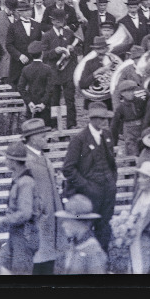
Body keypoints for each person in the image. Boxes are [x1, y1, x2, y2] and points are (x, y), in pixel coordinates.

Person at [61, 102, 118, 252]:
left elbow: (111, 162)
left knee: (104, 228)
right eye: (99, 118)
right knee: (86, 229)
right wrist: (86, 186)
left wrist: (112, 181)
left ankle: (103, 264)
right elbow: (68, 169)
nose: (103, 121)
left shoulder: (107, 135)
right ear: (91, 119)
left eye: (104, 118)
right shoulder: (79, 140)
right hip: (89, 194)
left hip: (107, 191)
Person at [19, 118, 66, 274]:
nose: (46, 138)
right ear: (32, 139)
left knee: (48, 257)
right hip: (38, 218)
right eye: (42, 136)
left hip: (51, 215)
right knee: (39, 259)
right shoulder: (26, 160)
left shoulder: (42, 157)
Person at [0, 141, 40, 275]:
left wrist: (4, 220)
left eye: (7, 158)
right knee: (4, 267)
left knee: (21, 272)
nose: (5, 161)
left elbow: (25, 213)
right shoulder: (18, 180)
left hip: (25, 235)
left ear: (14, 161)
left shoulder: (25, 182)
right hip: (16, 233)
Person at [41, 8, 81, 129]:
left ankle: (71, 124)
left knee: (70, 99)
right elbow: (44, 55)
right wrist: (54, 51)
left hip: (68, 72)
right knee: (54, 100)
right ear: (52, 21)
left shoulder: (69, 33)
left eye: (62, 20)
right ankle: (54, 125)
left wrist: (73, 50)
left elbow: (78, 50)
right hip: (54, 73)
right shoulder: (47, 35)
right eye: (58, 21)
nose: (61, 22)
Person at [55, 194, 108, 274]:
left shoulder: (92, 250)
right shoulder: (74, 245)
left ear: (80, 223)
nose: (63, 225)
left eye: (67, 220)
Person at [111, 79, 148, 157]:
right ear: (122, 94)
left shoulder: (141, 102)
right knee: (132, 153)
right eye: (127, 92)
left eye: (132, 91)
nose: (130, 94)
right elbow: (114, 126)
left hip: (142, 130)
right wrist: (114, 144)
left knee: (144, 153)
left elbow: (148, 115)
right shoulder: (120, 108)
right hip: (129, 134)